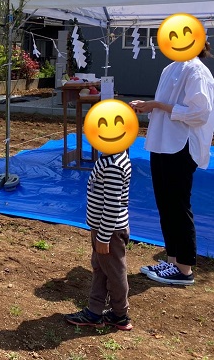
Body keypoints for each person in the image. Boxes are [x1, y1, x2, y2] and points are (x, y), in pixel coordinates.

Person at [130, 41, 214, 285]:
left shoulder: (196, 71)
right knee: (165, 203)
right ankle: (173, 260)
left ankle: (184, 269)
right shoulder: (171, 69)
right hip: (163, 142)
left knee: (177, 204)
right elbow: (170, 107)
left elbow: (200, 113)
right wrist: (149, 107)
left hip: (181, 145)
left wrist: (156, 105)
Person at [64, 149, 133, 331]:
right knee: (100, 268)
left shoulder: (114, 165)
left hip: (109, 232)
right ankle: (94, 311)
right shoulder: (109, 157)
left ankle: (120, 315)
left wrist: (103, 237)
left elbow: (112, 205)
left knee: (115, 272)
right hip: (103, 230)